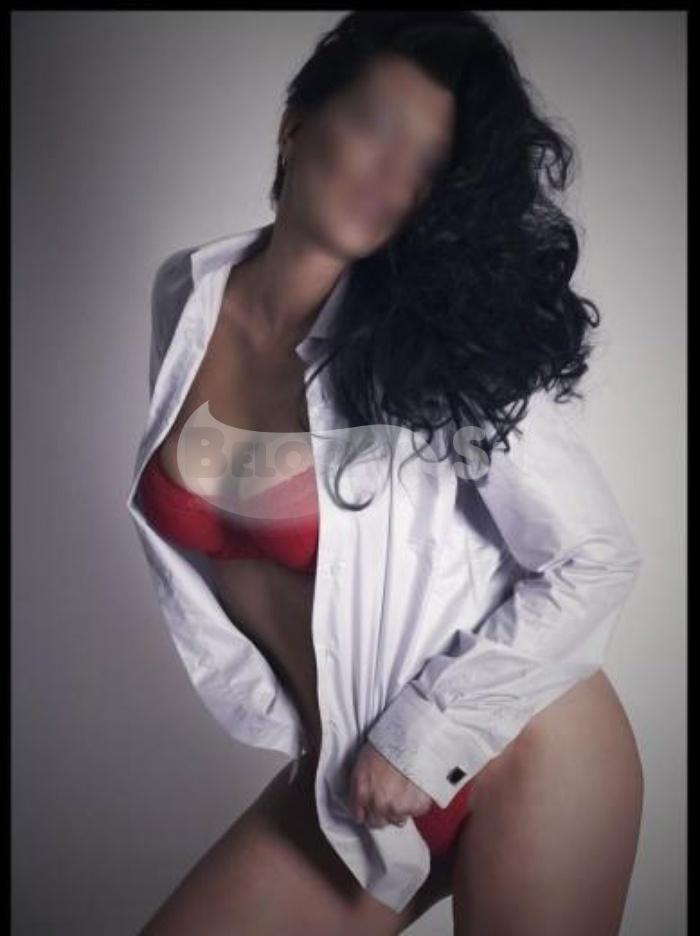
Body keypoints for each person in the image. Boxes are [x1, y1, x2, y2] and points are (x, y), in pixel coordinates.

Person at [126, 11, 645, 934]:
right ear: (296, 124)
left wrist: (423, 738)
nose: (390, 176)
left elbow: (594, 557)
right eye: (376, 126)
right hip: (347, 782)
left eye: (425, 164)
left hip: (522, 743)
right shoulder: (188, 295)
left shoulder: (438, 347)